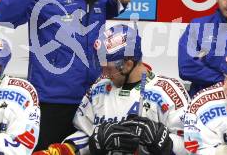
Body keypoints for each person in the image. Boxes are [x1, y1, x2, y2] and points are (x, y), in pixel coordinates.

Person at [0, 0, 132, 149]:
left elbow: (103, 9)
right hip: (53, 98)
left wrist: (119, 2)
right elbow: (5, 18)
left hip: (93, 97)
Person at [33, 24, 189, 155]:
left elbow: (192, 144)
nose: (104, 74)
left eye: (108, 69)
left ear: (128, 63)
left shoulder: (168, 91)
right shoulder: (99, 88)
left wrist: (164, 142)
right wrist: (67, 149)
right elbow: (85, 132)